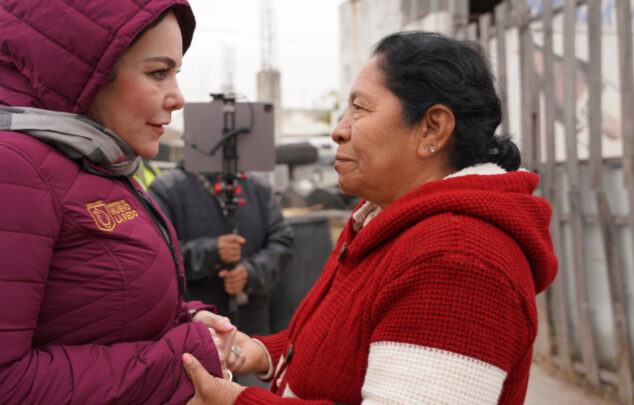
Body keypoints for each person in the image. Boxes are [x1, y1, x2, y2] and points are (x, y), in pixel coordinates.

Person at [179, 31, 558, 405]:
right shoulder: (387, 223)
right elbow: (346, 347)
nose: (338, 131)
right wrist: (265, 352)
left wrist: (236, 400)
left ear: (433, 128)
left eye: (359, 109)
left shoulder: (457, 258)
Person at [0, 0, 236, 404]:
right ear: (86, 71)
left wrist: (183, 320)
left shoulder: (88, 161)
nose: (178, 97)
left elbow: (82, 307)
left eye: (177, 73)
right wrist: (183, 357)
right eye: (158, 72)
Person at [148, 164, 294, 338]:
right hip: (196, 326)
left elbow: (283, 242)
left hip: (253, 323)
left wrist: (250, 273)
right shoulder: (166, 189)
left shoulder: (258, 188)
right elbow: (156, 253)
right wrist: (212, 252)